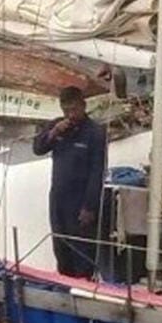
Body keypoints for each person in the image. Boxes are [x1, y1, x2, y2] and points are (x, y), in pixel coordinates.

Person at [33, 85, 108, 277]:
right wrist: (53, 133)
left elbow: (97, 172)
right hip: (58, 199)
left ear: (83, 106)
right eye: (66, 110)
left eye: (74, 109)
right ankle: (64, 282)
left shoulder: (95, 133)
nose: (71, 115)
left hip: (80, 201)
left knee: (81, 251)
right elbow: (38, 148)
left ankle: (84, 283)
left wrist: (90, 206)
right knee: (61, 247)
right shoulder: (58, 126)